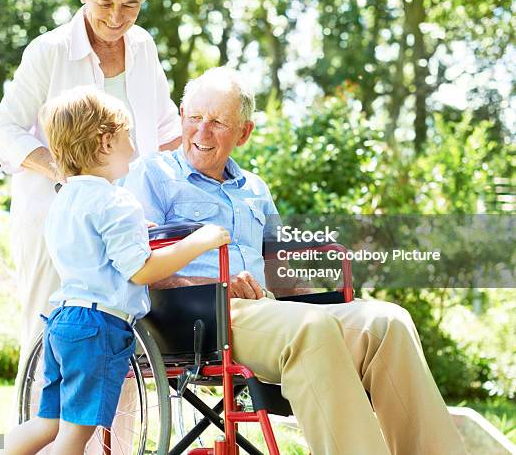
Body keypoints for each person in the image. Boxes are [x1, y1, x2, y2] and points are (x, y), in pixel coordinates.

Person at [123, 67, 467, 455]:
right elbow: (140, 265)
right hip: (197, 317)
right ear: (182, 114)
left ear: (244, 132)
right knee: (311, 329)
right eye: (196, 118)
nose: (202, 132)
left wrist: (333, 304)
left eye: (218, 122)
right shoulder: (151, 175)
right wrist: (211, 286)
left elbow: (279, 270)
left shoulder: (255, 188)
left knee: (387, 322)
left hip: (264, 312)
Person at [0, 0, 182, 401]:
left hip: (123, 221)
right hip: (57, 219)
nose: (117, 17)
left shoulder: (143, 47)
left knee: (122, 336)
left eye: (131, 5)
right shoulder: (50, 50)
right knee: (48, 333)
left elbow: (166, 128)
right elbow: (6, 131)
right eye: (105, 3)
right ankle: (36, 438)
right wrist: (69, 175)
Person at [3, 87, 230, 455]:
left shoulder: (65, 199)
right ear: (106, 142)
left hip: (62, 320)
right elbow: (140, 271)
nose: (135, 146)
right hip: (98, 328)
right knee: (75, 435)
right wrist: (201, 241)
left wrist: (139, 232)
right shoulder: (117, 200)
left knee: (47, 423)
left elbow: (95, 248)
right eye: (128, 135)